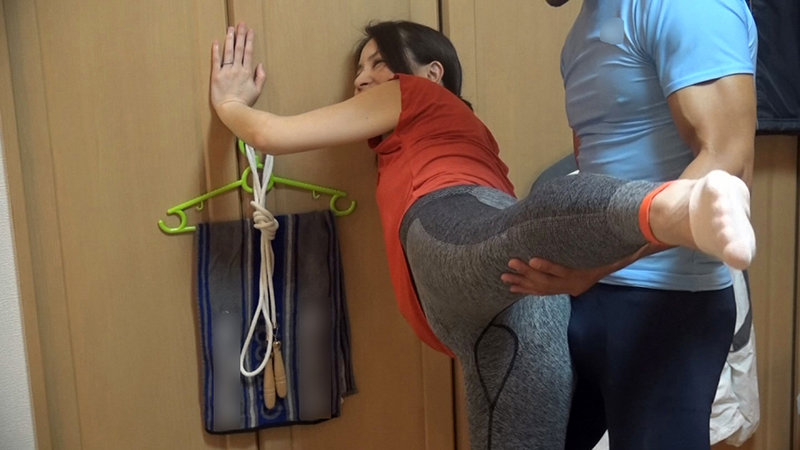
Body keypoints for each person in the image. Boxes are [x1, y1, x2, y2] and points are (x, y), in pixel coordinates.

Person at [210, 20, 755, 449]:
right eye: (359, 69)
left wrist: (230, 103)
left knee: (524, 228)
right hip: (503, 310)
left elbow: (270, 135)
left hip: (456, 223)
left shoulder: (411, 95)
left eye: (377, 62)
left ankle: (680, 206)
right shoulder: (453, 129)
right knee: (524, 233)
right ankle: (675, 208)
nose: (361, 79)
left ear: (431, 73)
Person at [502, 1, 758, 448]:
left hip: (669, 302)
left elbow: (727, 158)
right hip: (588, 296)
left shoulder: (686, 6)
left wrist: (601, 263)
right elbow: (593, 160)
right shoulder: (584, 27)